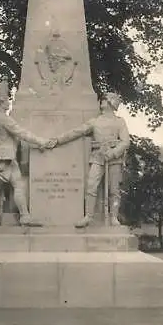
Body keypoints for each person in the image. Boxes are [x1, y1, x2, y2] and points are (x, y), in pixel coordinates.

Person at [0, 79, 55, 226]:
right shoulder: (4, 119)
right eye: (8, 99)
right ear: (2, 102)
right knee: (18, 186)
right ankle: (24, 216)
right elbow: (22, 133)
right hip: (7, 157)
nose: (9, 102)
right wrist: (41, 141)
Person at [55, 92, 130, 228]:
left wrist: (113, 153)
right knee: (91, 185)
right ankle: (88, 216)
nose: (102, 101)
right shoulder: (95, 121)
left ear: (111, 103)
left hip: (114, 158)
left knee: (114, 190)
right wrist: (58, 140)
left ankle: (113, 217)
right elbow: (77, 132)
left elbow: (125, 142)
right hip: (98, 156)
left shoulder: (120, 122)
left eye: (105, 99)